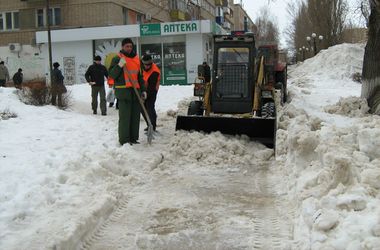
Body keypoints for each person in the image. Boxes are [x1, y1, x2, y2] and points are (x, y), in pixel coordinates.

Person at [108, 38, 147, 145]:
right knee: (125, 118)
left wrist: (143, 90)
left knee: (135, 117)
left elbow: (140, 77)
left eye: (130, 46)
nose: (129, 48)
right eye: (127, 46)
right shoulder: (117, 59)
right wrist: (119, 65)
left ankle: (133, 138)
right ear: (122, 47)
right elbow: (112, 75)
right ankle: (124, 140)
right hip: (123, 92)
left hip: (136, 93)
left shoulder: (137, 60)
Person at [141, 54, 160, 132]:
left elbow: (151, 88)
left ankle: (153, 126)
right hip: (143, 89)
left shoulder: (155, 72)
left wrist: (145, 97)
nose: (147, 66)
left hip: (152, 91)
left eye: (149, 64)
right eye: (146, 64)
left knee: (150, 107)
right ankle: (149, 124)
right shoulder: (141, 67)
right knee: (142, 108)